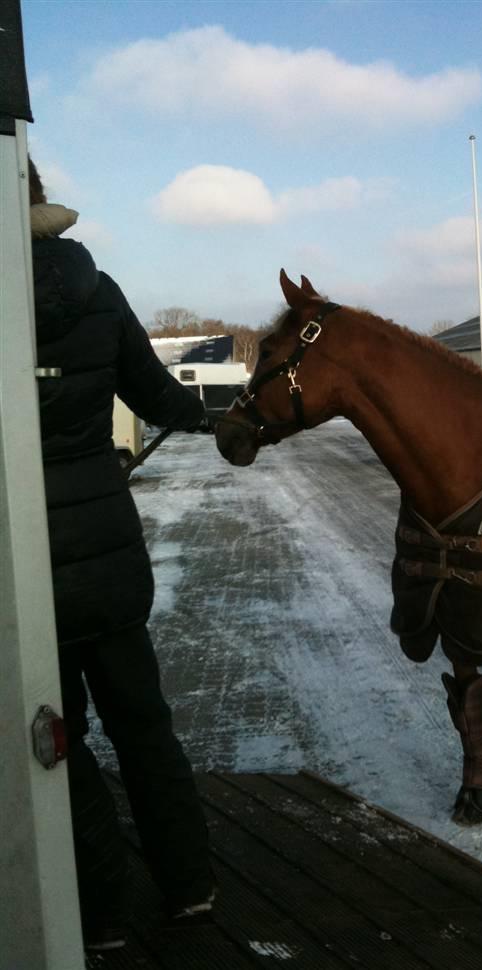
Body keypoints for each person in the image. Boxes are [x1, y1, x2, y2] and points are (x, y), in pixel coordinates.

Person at [28, 158, 214, 951]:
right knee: (144, 726)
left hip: (28, 574)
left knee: (57, 742)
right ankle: (190, 885)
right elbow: (158, 396)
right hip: (108, 558)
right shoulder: (97, 291)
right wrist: (213, 416)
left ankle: (100, 913)